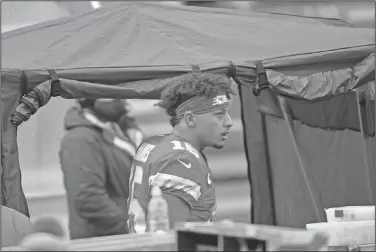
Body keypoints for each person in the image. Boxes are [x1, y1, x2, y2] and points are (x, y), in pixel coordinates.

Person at [127, 72, 235, 233]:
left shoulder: (157, 142)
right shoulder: (181, 160)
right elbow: (167, 238)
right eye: (219, 114)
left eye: (227, 113)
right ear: (190, 119)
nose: (229, 122)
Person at [59, 98, 143, 239]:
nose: (121, 99)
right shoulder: (80, 139)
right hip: (104, 241)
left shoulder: (124, 130)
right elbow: (88, 199)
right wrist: (131, 226)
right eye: (112, 93)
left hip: (128, 237)